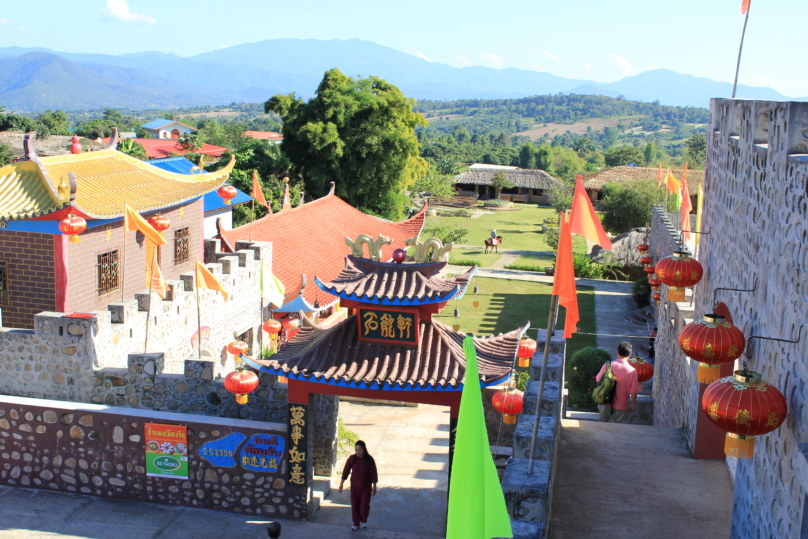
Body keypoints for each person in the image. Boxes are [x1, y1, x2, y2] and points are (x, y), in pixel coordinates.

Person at [339, 440, 378, 531]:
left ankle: (364, 520)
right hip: (354, 487)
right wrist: (341, 483)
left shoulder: (369, 460)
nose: (357, 452)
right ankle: (356, 523)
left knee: (364, 506)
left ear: (364, 449)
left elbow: (374, 473)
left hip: (365, 487)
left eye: (359, 450)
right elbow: (346, 471)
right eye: (356, 449)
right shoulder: (352, 459)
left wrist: (374, 486)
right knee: (355, 505)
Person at [595, 342, 638, 423]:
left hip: (605, 401)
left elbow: (598, 379)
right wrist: (633, 405)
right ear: (630, 355)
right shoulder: (632, 371)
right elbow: (634, 391)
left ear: (617, 352)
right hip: (621, 404)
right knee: (618, 429)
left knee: (602, 426)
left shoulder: (608, 365)